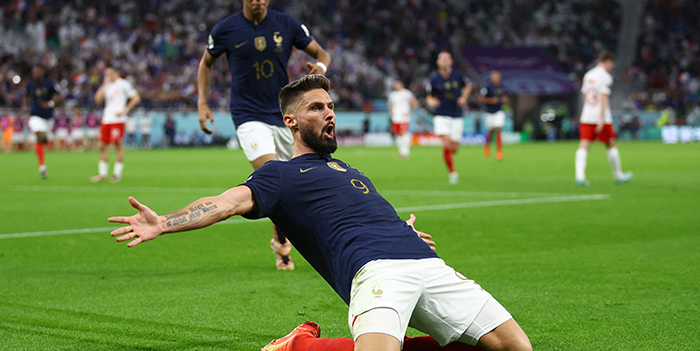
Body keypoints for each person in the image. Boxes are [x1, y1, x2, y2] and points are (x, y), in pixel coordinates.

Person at [108, 75, 531, 351]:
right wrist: (164, 222)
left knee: (515, 347)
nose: (329, 112)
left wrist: (403, 231)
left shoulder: (351, 170)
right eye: (316, 107)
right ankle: (300, 347)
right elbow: (225, 203)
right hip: (376, 271)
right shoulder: (279, 175)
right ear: (291, 122)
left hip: (428, 264)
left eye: (329, 106)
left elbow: (367, 215)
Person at [196, 0, 331, 270]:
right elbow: (206, 64)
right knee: (273, 172)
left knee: (288, 181)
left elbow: (321, 52)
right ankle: (284, 244)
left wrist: (319, 67)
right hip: (247, 115)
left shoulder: (286, 24)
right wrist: (202, 102)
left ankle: (280, 242)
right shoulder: (226, 29)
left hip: (283, 115)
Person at [575, 51, 633, 186]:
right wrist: (601, 119)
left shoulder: (588, 75)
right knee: (611, 144)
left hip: (587, 115)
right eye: (611, 65)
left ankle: (580, 176)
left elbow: (584, 95)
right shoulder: (605, 76)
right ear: (608, 62)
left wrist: (587, 110)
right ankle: (618, 175)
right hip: (602, 117)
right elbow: (603, 98)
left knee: (584, 145)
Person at [426, 51, 472, 184]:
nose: (445, 60)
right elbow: (429, 96)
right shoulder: (434, 79)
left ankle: (450, 161)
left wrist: (463, 97)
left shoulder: (459, 76)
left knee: (454, 148)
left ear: (451, 61)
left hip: (457, 115)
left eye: (447, 58)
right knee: (446, 143)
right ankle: (452, 172)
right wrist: (431, 102)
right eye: (442, 58)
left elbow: (468, 86)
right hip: (441, 115)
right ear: (438, 62)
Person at [90, 66, 141, 183]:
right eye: (106, 74)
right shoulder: (107, 85)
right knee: (101, 145)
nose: (107, 76)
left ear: (116, 73)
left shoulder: (124, 84)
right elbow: (97, 99)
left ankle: (117, 174)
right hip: (107, 118)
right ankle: (102, 174)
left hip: (118, 119)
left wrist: (125, 110)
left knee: (117, 145)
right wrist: (103, 85)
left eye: (110, 74)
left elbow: (136, 97)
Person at [24, 64, 61, 178]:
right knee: (39, 138)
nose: (35, 74)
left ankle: (43, 143)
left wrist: (50, 104)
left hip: (48, 117)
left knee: (44, 140)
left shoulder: (49, 84)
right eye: (34, 72)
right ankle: (42, 167)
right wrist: (25, 106)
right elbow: (25, 96)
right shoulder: (30, 85)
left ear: (42, 73)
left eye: (38, 72)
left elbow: (59, 96)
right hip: (35, 115)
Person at [478, 70, 508, 161]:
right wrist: (491, 101)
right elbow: (480, 98)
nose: (495, 78)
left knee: (498, 129)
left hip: (499, 111)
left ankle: (499, 152)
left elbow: (505, 97)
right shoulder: (487, 87)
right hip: (489, 112)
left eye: (497, 76)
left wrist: (505, 100)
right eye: (494, 76)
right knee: (491, 131)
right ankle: (486, 145)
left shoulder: (502, 87)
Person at [387, 79, 418, 159]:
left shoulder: (407, 93)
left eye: (397, 83)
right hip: (395, 117)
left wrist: (410, 112)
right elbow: (389, 104)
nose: (396, 85)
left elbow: (415, 102)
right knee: (398, 134)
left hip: (404, 117)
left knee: (403, 133)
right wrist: (391, 112)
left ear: (401, 84)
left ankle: (406, 152)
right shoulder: (392, 95)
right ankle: (401, 152)